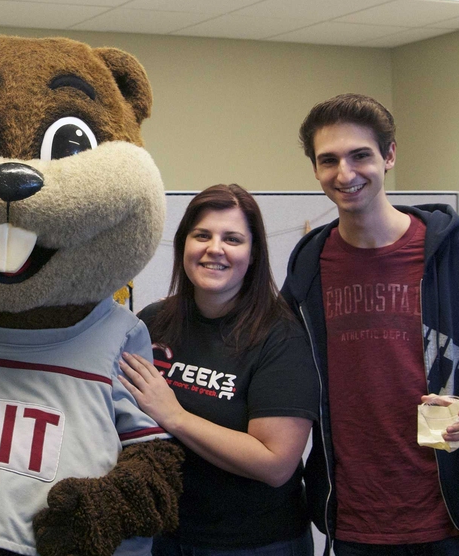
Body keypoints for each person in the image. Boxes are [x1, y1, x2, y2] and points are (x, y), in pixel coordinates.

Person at [281, 93, 459, 556]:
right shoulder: (309, 264)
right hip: (352, 521)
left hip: (450, 515)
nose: (344, 174)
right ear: (315, 169)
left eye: (360, 155)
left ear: (389, 155)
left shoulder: (454, 251)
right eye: (329, 160)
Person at [119, 183, 319, 555]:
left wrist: (175, 416)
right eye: (202, 235)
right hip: (165, 536)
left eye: (232, 238)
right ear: (184, 246)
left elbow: (275, 463)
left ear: (254, 252)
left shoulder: (281, 336)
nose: (215, 249)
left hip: (254, 543)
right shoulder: (153, 321)